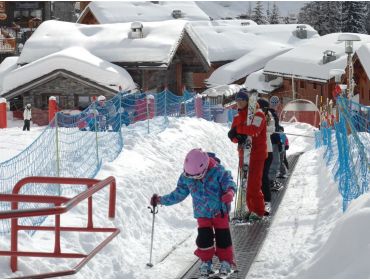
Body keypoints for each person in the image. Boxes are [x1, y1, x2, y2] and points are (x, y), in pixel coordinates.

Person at [150, 149, 237, 276]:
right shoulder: (187, 177)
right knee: (204, 238)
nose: (194, 179)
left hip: (220, 211)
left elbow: (229, 182)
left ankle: (226, 261)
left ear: (205, 167)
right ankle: (206, 261)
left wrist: (230, 192)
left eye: (197, 176)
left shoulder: (218, 171)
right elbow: (178, 194)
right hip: (202, 212)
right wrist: (161, 200)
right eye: (191, 176)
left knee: (223, 237)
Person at [227, 89, 267, 221]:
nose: (238, 103)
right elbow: (235, 136)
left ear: (248, 101)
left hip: (256, 154)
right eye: (237, 100)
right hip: (243, 154)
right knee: (245, 183)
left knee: (253, 184)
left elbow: (254, 130)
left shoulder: (259, 114)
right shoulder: (237, 117)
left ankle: (258, 210)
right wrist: (235, 137)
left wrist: (238, 130)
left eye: (241, 100)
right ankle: (250, 209)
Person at [257, 98, 275, 215]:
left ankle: (267, 199)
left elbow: (272, 129)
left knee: (263, 175)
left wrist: (261, 129)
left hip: (267, 151)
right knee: (257, 176)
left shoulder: (269, 117)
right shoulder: (256, 116)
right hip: (257, 151)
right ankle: (258, 198)